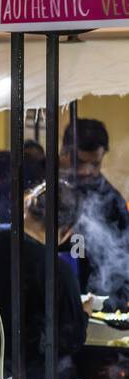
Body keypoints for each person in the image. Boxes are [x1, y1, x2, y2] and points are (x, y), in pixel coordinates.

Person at [0, 177, 86, 379]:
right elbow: (69, 339)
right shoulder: (57, 271)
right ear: (66, 230)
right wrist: (85, 313)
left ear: (25, 204)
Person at [64, 118, 129, 307]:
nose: (86, 171)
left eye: (95, 164)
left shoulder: (112, 202)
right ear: (64, 152)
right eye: (80, 162)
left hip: (99, 302)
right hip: (55, 299)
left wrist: (113, 302)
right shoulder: (48, 193)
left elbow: (125, 257)